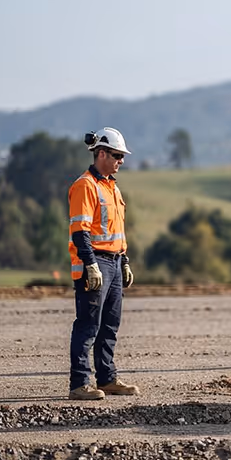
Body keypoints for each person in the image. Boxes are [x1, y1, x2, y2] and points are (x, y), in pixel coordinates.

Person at [67, 128, 139, 400]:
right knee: (88, 325)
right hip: (95, 262)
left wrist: (125, 261)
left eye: (122, 156)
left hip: (115, 261)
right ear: (101, 153)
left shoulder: (111, 187)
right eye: (117, 155)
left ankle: (107, 379)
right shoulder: (86, 186)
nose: (121, 161)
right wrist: (90, 265)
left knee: (110, 324)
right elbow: (80, 230)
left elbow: (117, 229)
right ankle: (80, 384)